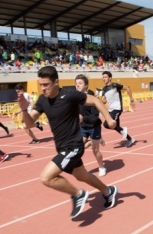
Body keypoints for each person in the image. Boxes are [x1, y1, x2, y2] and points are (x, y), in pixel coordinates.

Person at [18, 66, 118, 218]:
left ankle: (78, 195)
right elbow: (30, 123)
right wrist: (24, 110)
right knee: (82, 176)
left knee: (46, 177)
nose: (43, 88)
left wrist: (109, 119)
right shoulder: (43, 100)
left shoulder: (70, 94)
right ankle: (108, 191)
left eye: (46, 84)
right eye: (41, 85)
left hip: (74, 145)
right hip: (62, 147)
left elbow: (95, 100)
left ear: (56, 82)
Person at [75, 74, 107, 177]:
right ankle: (81, 168)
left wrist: (82, 118)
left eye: (80, 83)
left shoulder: (93, 99)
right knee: (78, 149)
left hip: (94, 127)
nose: (77, 85)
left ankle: (102, 167)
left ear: (86, 85)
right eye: (76, 84)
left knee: (95, 149)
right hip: (83, 127)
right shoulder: (75, 98)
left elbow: (94, 117)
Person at [101, 71, 136, 147]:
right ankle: (130, 139)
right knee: (116, 127)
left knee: (107, 124)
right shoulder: (104, 89)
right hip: (110, 109)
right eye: (103, 77)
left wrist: (131, 100)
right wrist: (101, 100)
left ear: (110, 78)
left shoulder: (115, 85)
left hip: (117, 109)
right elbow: (104, 101)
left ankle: (123, 130)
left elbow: (127, 88)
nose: (103, 79)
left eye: (105, 77)